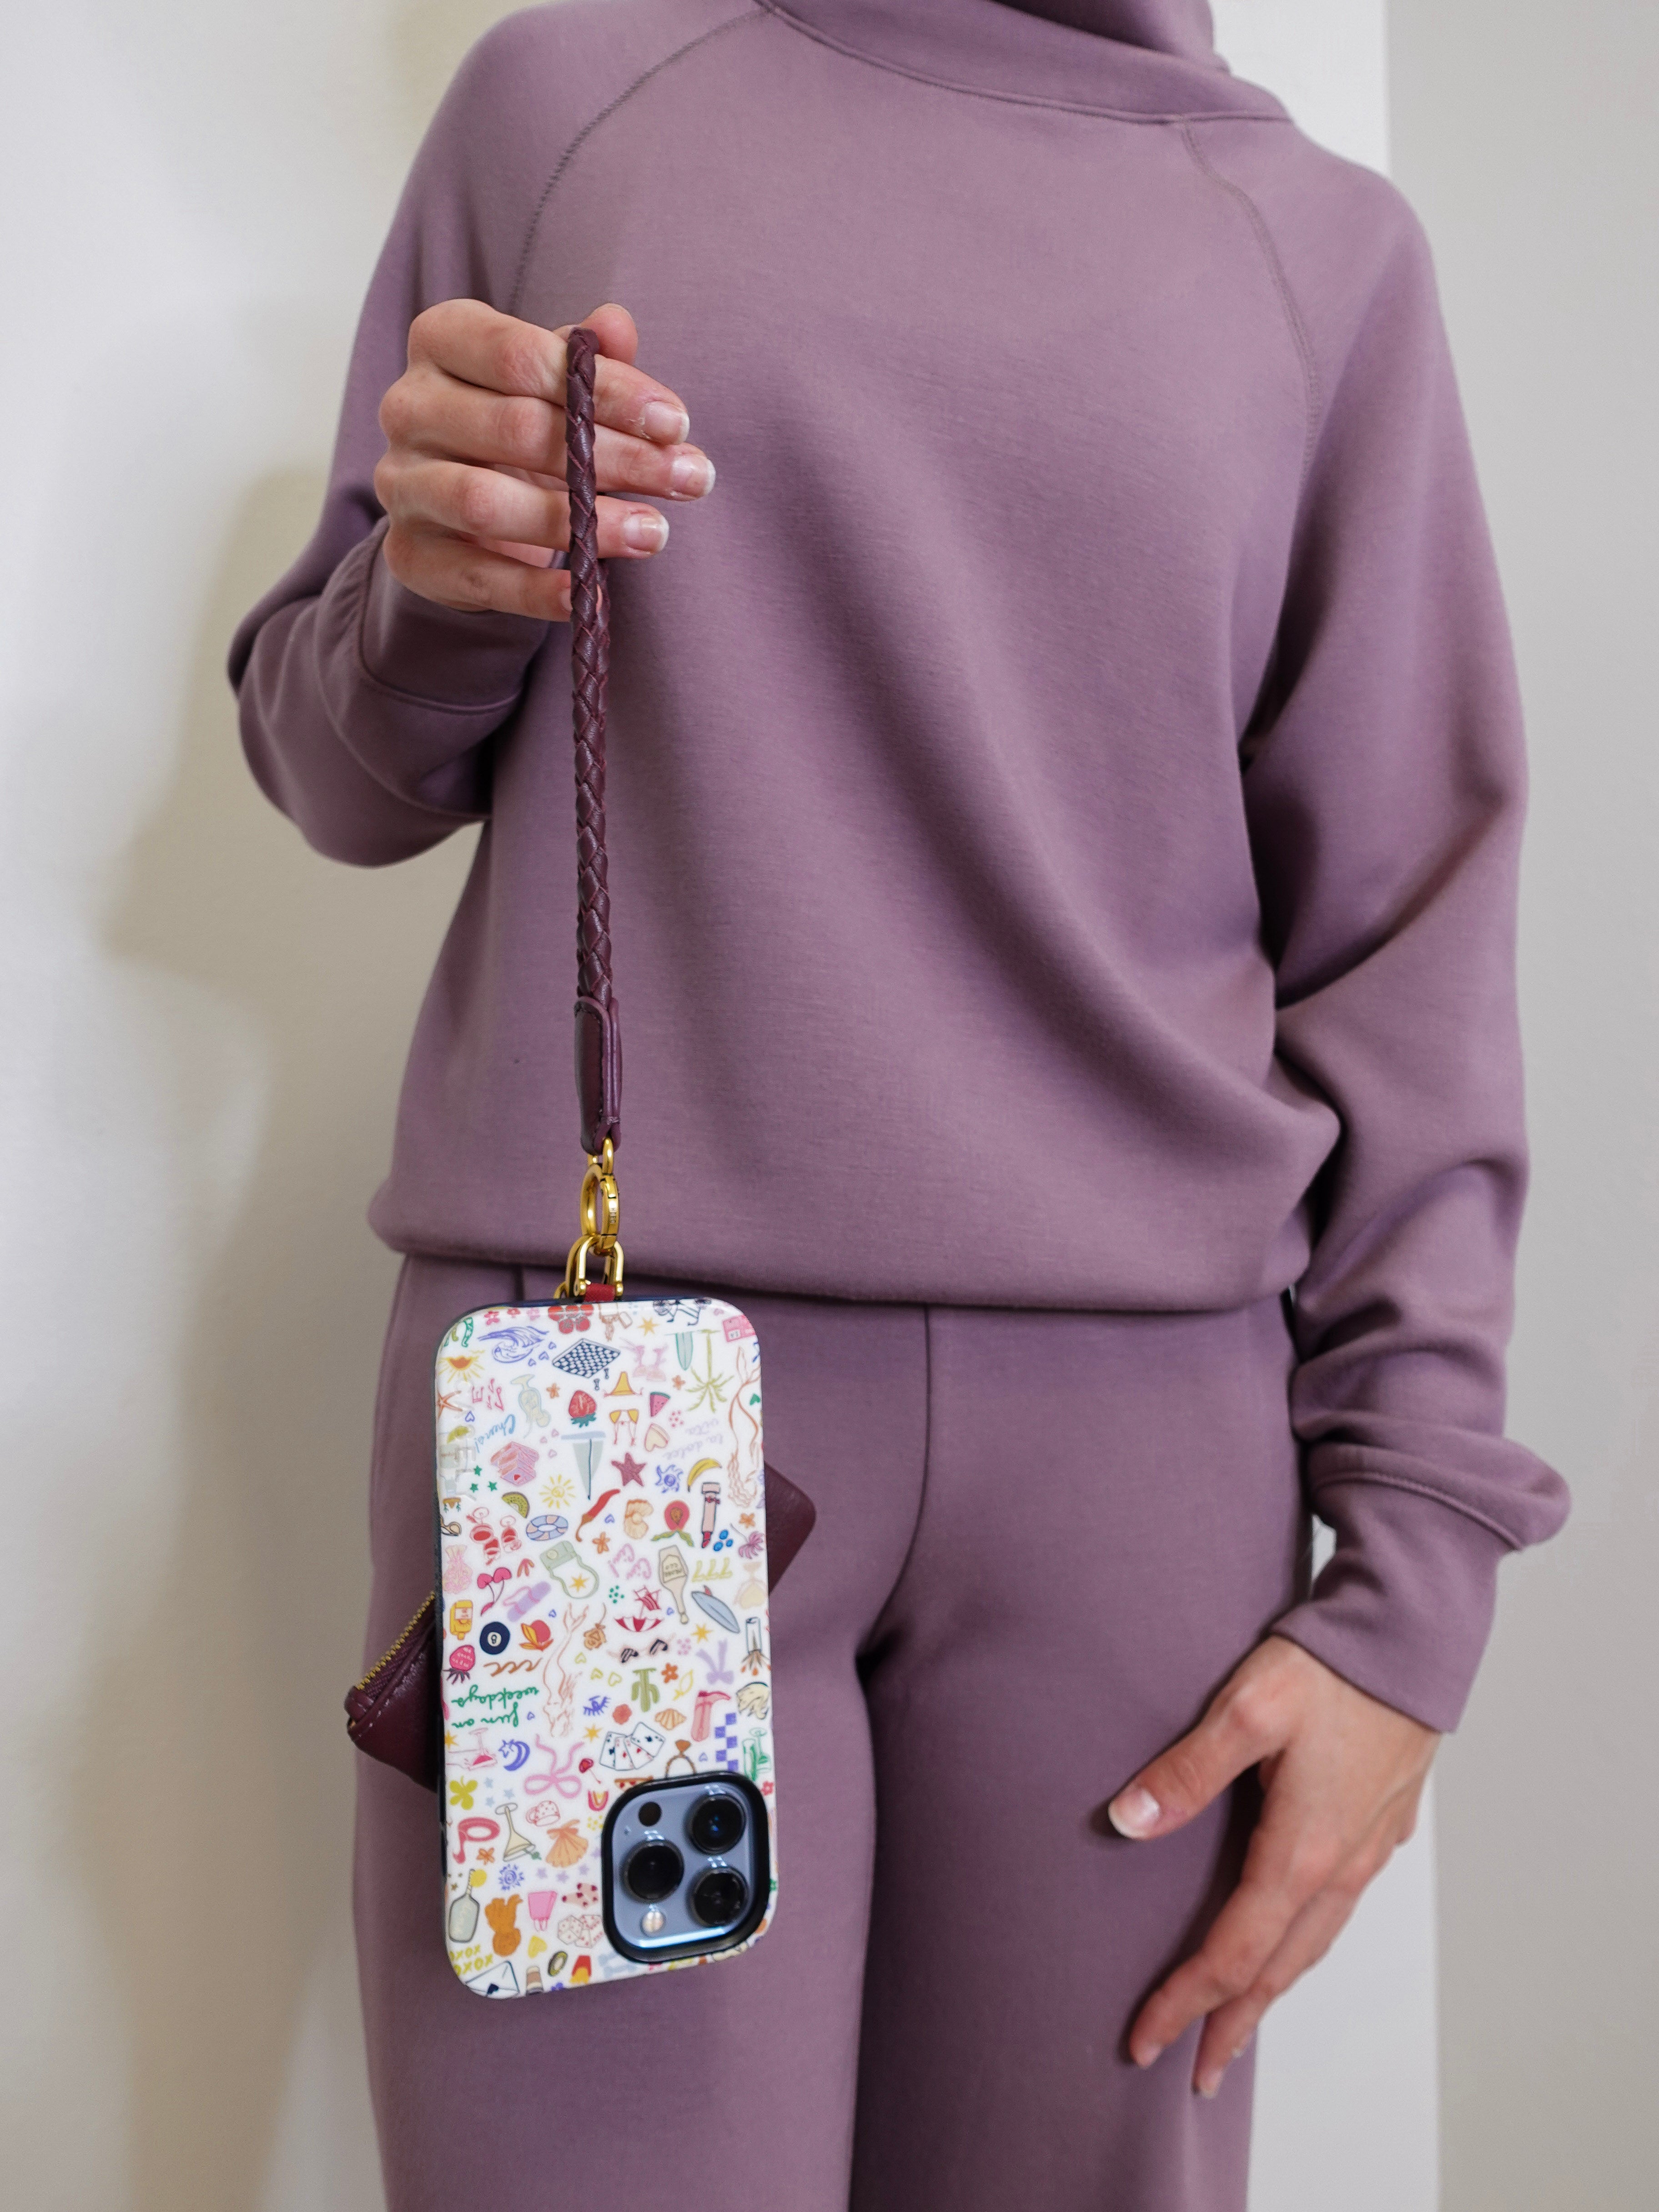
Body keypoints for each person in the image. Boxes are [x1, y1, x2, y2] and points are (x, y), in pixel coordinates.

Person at [229, 2, 1569, 2206]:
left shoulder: (1322, 251)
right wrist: (434, 596)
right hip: (617, 1429)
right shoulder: (577, 107)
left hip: (1146, 1489)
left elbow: (1410, 939)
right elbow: (329, 764)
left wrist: (1416, 1590)